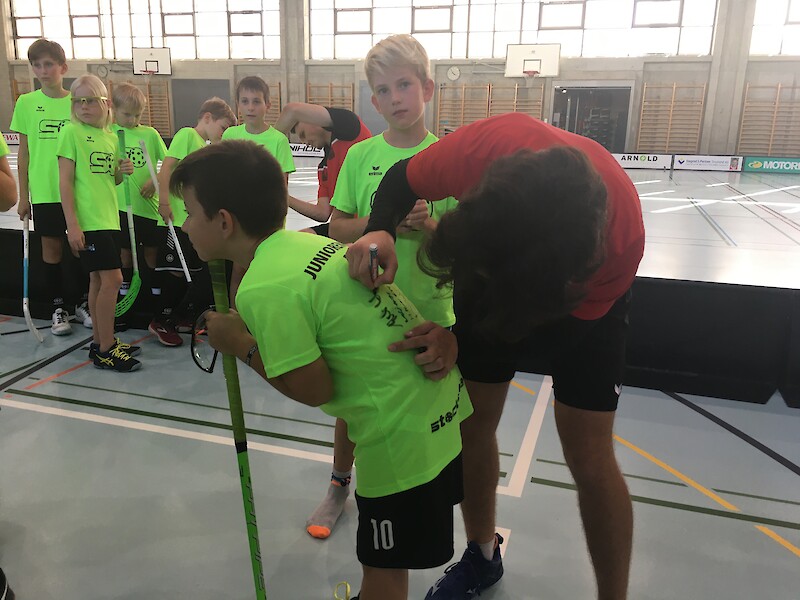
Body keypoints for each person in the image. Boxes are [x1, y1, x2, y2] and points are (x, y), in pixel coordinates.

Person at [346, 113, 645, 600]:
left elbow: (551, 337)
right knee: (473, 423)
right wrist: (379, 230)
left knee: (589, 455)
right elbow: (400, 180)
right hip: (498, 256)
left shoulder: (616, 243)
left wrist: (463, 341)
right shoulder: (482, 148)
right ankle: (483, 556)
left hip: (580, 300)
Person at [173, 139, 472, 600]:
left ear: (224, 222)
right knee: (388, 561)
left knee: (385, 570)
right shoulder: (309, 245)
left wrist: (240, 345)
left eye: (190, 212)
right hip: (439, 408)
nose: (184, 224)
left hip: (400, 437)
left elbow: (314, 389)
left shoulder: (263, 287)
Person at [305, 34, 459, 541]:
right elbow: (337, 227)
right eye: (384, 90)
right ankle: (338, 484)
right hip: (368, 305)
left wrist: (428, 226)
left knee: (427, 407)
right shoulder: (361, 156)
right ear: (373, 100)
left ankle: (423, 490)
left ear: (427, 89)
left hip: (430, 311)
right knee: (354, 405)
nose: (396, 98)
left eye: (405, 85)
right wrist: (386, 222)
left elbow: (464, 247)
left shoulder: (449, 159)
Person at [57, 74, 139, 372]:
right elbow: (65, 183)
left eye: (90, 100)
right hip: (90, 221)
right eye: (78, 101)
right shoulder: (71, 133)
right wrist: (73, 224)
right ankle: (106, 348)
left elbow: (110, 178)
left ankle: (99, 341)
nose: (84, 106)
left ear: (105, 103)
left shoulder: (110, 138)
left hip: (109, 219)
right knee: (114, 280)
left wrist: (122, 170)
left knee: (98, 280)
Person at [11, 38, 91, 335]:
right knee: (52, 249)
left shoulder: (76, 103)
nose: (43, 71)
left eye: (49, 64)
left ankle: (83, 302)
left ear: (63, 68)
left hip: (77, 190)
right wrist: (24, 196)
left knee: (80, 247)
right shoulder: (26, 103)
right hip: (44, 190)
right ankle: (58, 308)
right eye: (37, 65)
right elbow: (24, 153)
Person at [150, 97, 236, 346]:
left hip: (190, 220)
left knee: (191, 269)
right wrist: (164, 202)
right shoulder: (187, 134)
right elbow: (167, 168)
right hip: (176, 218)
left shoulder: (203, 145)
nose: (222, 134)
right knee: (176, 270)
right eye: (222, 127)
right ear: (208, 118)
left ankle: (178, 316)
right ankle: (160, 319)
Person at [111, 83, 168, 327]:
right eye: (127, 114)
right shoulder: (109, 133)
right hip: (122, 209)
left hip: (148, 209)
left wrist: (155, 181)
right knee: (125, 255)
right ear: (113, 109)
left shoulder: (150, 134)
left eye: (138, 115)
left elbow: (169, 163)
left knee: (151, 255)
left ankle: (156, 305)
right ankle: (124, 305)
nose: (133, 120)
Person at [274, 101, 371, 236]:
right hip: (346, 227)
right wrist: (283, 196)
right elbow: (322, 213)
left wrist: (268, 147)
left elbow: (292, 110)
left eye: (303, 134)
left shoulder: (349, 127)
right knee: (302, 236)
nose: (304, 142)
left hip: (370, 222)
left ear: (314, 120)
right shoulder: (323, 167)